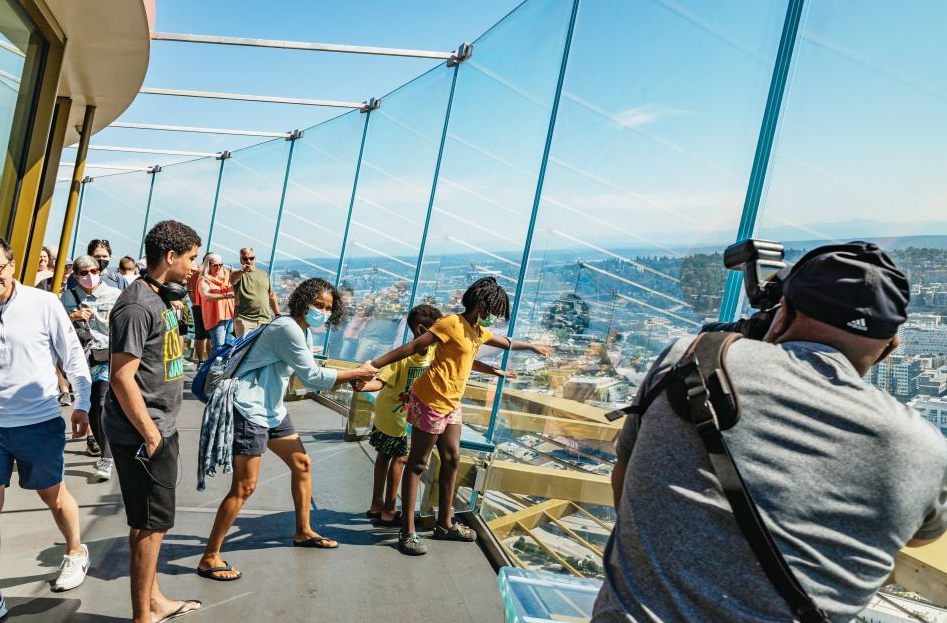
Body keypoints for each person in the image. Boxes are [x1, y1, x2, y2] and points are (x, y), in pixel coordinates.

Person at [594, 243, 947, 623]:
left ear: (783, 315)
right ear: (890, 347)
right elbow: (918, 538)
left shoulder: (692, 359)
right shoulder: (926, 450)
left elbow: (625, 478)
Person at [197, 278, 378, 580]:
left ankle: (303, 531)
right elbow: (312, 377)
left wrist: (353, 374)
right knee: (245, 486)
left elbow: (309, 370)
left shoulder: (301, 330)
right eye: (318, 304)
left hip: (272, 409)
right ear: (303, 301)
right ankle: (209, 557)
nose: (322, 311)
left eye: (328, 308)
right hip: (249, 407)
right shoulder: (287, 328)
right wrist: (357, 372)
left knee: (302, 464)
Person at [369, 277, 550, 555]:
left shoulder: (476, 331)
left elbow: (503, 343)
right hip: (430, 400)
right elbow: (414, 347)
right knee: (418, 464)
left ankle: (445, 524)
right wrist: (373, 365)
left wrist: (532, 346)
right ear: (480, 305)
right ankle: (407, 532)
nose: (494, 318)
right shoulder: (451, 323)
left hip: (452, 403)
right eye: (493, 311)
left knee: (453, 459)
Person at [104, 220, 203, 623]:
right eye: (191, 258)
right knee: (151, 525)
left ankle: (154, 601)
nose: (195, 266)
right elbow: (120, 376)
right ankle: (142, 617)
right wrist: (150, 434)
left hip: (157, 426)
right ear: (171, 256)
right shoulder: (136, 306)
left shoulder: (158, 297)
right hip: (146, 432)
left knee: (149, 521)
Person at [354, 304, 517, 526]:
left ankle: (377, 505)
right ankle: (388, 510)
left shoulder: (434, 352)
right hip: (394, 416)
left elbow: (465, 360)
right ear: (423, 331)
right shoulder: (404, 357)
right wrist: (363, 386)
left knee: (386, 456)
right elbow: (380, 382)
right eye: (438, 331)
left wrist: (492, 370)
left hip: (404, 413)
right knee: (398, 458)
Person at [0, 237, 92, 597]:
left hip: (37, 422)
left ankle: (75, 551)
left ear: (12, 265)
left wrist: (83, 403)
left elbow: (72, 356)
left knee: (52, 494)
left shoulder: (43, 304)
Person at [62, 255, 122, 481]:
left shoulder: (114, 294)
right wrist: (72, 316)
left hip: (107, 355)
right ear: (76, 275)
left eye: (94, 271)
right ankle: (100, 443)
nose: (90, 276)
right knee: (92, 407)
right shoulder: (69, 296)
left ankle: (106, 458)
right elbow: (57, 327)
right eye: (84, 272)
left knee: (102, 402)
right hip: (83, 359)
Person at [228, 247, 280, 337]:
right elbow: (232, 279)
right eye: (245, 259)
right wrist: (242, 271)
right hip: (244, 320)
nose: (248, 261)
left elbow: (271, 295)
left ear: (255, 259)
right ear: (241, 260)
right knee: (244, 346)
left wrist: (277, 314)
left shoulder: (264, 274)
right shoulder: (238, 274)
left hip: (264, 319)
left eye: (251, 258)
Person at [198, 253, 235, 352]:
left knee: (230, 345)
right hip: (216, 318)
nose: (218, 267)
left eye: (220, 265)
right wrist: (226, 296)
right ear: (208, 265)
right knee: (218, 348)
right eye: (215, 265)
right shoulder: (204, 280)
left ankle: (226, 363)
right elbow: (206, 296)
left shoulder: (226, 276)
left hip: (230, 316)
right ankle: (214, 363)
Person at [187, 254, 210, 365]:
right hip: (208, 306)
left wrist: (194, 301)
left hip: (196, 305)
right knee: (211, 335)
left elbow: (189, 288)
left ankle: (200, 361)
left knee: (199, 335)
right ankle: (210, 361)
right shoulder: (207, 273)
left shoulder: (194, 272)